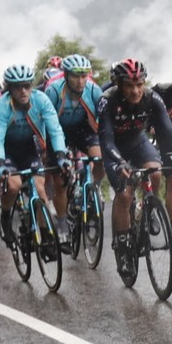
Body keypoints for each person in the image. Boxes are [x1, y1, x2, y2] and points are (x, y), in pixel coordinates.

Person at [98, 58, 172, 262]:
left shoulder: (152, 97)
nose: (136, 91)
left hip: (138, 141)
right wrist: (119, 161)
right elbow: (106, 139)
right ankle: (122, 244)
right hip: (114, 148)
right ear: (119, 85)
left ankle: (149, 208)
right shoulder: (107, 100)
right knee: (125, 193)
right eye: (129, 86)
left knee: (155, 172)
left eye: (139, 84)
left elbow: (168, 132)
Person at [0, 64, 69, 245]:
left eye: (27, 86)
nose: (23, 91)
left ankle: (46, 234)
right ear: (9, 89)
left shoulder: (41, 100)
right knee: (14, 185)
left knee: (40, 189)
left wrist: (61, 156)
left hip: (30, 150)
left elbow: (55, 130)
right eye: (18, 87)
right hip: (8, 151)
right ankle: (6, 217)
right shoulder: (2, 105)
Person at [43, 54, 105, 241]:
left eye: (84, 76)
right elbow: (49, 124)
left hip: (83, 129)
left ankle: (93, 186)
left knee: (100, 157)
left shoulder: (93, 89)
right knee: (60, 181)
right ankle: (62, 225)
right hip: (57, 130)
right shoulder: (53, 91)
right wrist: (59, 153)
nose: (80, 81)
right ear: (65, 75)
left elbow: (103, 121)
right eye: (75, 76)